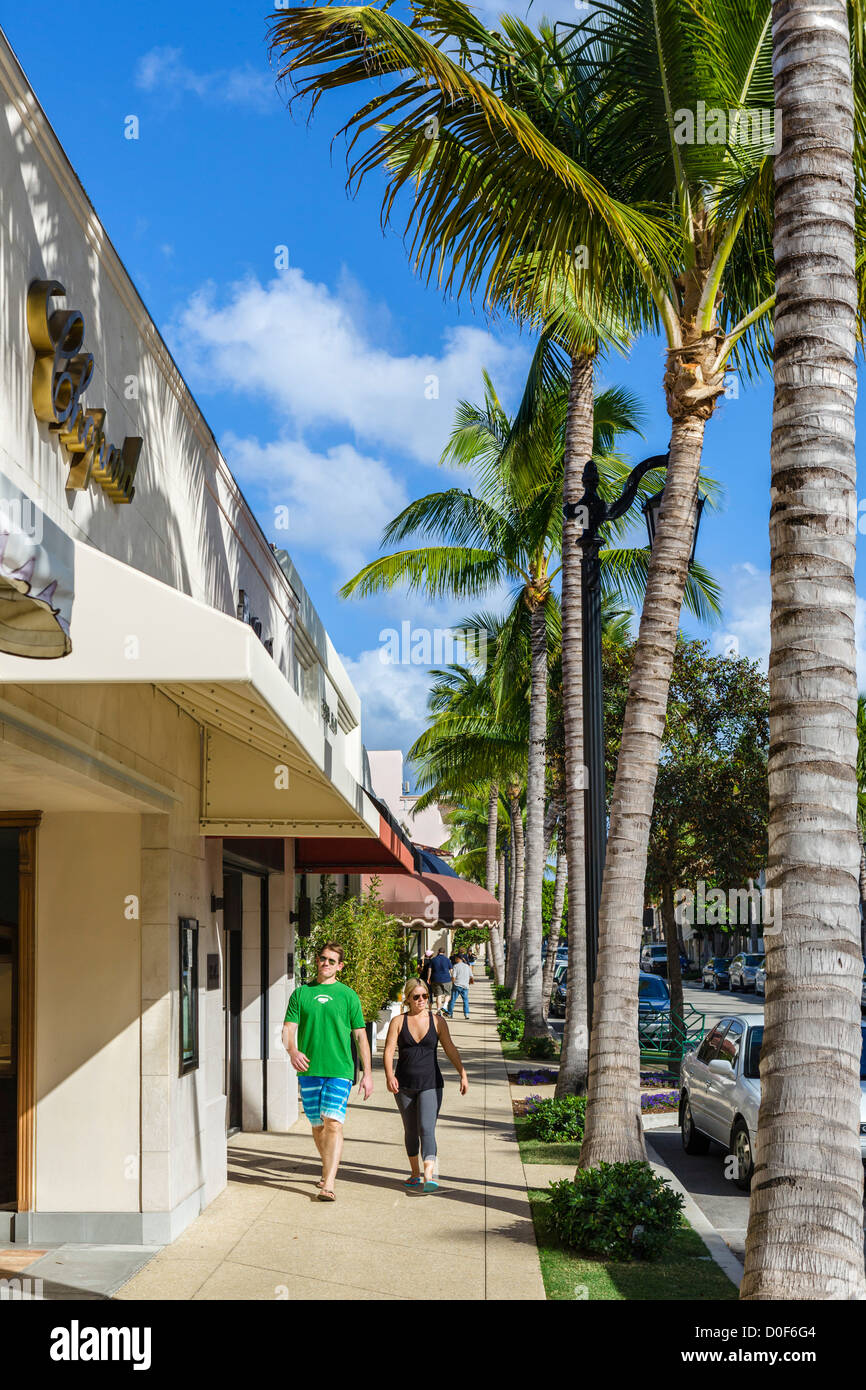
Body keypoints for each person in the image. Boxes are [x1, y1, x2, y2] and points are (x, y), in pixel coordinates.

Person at [281, 941, 372, 1202]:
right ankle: (326, 1165)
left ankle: (329, 1182)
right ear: (317, 960)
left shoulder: (348, 995)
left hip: (340, 1069)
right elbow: (288, 1029)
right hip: (309, 1070)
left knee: (333, 1123)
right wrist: (293, 1052)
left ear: (340, 966)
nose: (326, 964)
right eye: (323, 958)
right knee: (318, 1125)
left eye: (332, 961)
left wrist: (367, 1073)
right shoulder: (301, 994)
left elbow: (360, 1036)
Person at [383, 977, 468, 1193]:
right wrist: (389, 1075)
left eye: (425, 996)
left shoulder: (438, 1021)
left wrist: (462, 1073)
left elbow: (450, 1048)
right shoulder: (398, 1022)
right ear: (408, 998)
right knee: (410, 1129)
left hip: (431, 1083)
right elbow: (389, 1050)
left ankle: (429, 1175)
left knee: (426, 1128)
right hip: (404, 1084)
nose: (421, 1000)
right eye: (416, 996)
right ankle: (414, 1174)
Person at [444, 952, 474, 1019]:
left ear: (458, 959)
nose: (454, 960)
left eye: (455, 958)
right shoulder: (467, 966)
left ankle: (450, 1013)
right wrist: (469, 983)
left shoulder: (455, 966)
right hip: (465, 986)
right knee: (465, 1000)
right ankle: (466, 1014)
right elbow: (471, 977)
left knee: (452, 1000)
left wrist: (452, 983)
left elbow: (453, 977)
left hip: (457, 985)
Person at [428, 947, 453, 1014]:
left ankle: (438, 1010)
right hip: (446, 979)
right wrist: (452, 977)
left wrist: (428, 978)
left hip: (436, 979)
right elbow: (451, 970)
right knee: (448, 994)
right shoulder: (447, 960)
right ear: (444, 952)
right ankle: (444, 1006)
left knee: (438, 995)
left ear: (438, 952)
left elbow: (430, 970)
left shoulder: (433, 960)